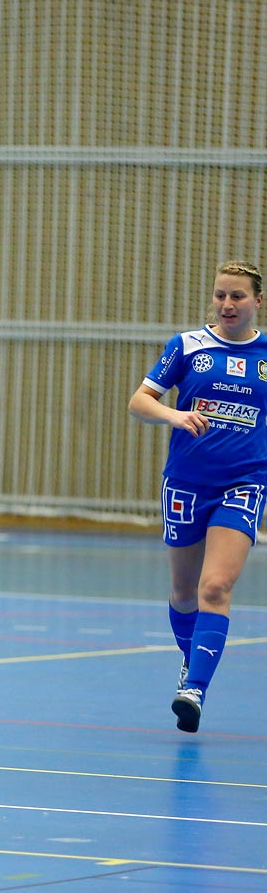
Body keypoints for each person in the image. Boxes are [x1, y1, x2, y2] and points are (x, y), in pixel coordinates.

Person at [127, 260, 267, 733]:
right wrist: (175, 416)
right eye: (220, 295)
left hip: (245, 482)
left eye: (238, 296)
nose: (227, 304)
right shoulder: (187, 346)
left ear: (257, 303)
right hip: (186, 482)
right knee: (184, 592)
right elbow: (140, 401)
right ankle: (191, 663)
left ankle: (195, 691)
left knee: (214, 588)